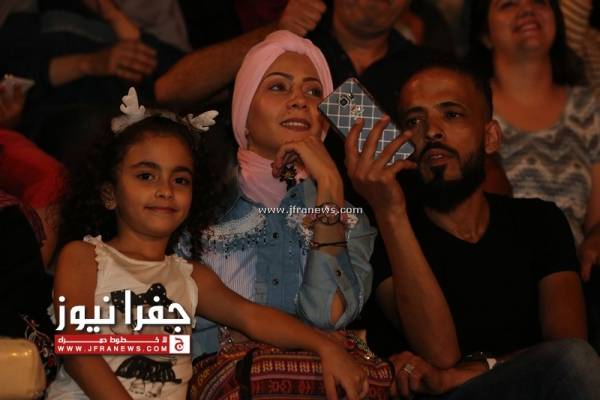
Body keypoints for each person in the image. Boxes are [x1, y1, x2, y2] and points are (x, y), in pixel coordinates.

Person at [45, 87, 369, 400]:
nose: (165, 190)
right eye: (146, 175)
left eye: (180, 179)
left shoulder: (192, 277)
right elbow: (77, 348)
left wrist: (324, 347)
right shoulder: (85, 257)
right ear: (109, 194)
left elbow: (253, 317)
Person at [346, 58, 600, 399]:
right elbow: (440, 354)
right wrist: (390, 212)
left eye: (452, 114)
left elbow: (570, 350)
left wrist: (470, 372)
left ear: (490, 137)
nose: (431, 131)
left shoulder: (539, 221)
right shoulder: (382, 233)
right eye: (414, 121)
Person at [175, 30, 375, 358]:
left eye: (314, 91)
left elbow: (328, 316)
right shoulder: (194, 206)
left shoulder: (350, 219)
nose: (300, 101)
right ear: (244, 113)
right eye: (278, 86)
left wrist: (330, 187)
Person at [467, 0, 599, 281]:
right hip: (492, 275)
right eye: (508, 4)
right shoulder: (469, 111)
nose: (527, 9)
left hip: (575, 279)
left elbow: (597, 222)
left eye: (540, 1)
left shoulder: (588, 109)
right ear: (484, 34)